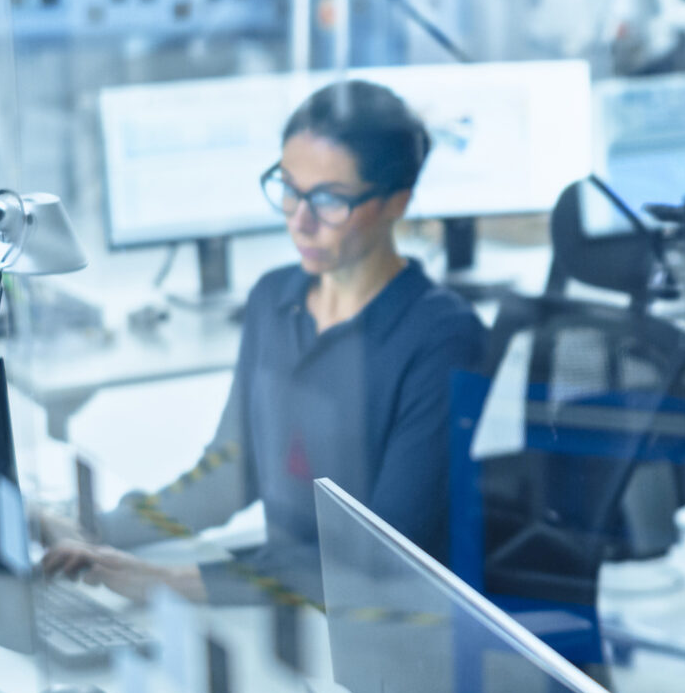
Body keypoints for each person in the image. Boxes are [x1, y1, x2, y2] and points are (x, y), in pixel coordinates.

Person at [41, 80, 486, 607]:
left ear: (396, 203)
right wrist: (95, 530)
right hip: (286, 608)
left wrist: (169, 582)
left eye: (329, 201)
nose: (299, 221)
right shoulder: (275, 300)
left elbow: (378, 557)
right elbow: (229, 473)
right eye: (290, 188)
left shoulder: (444, 340)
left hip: (389, 629)